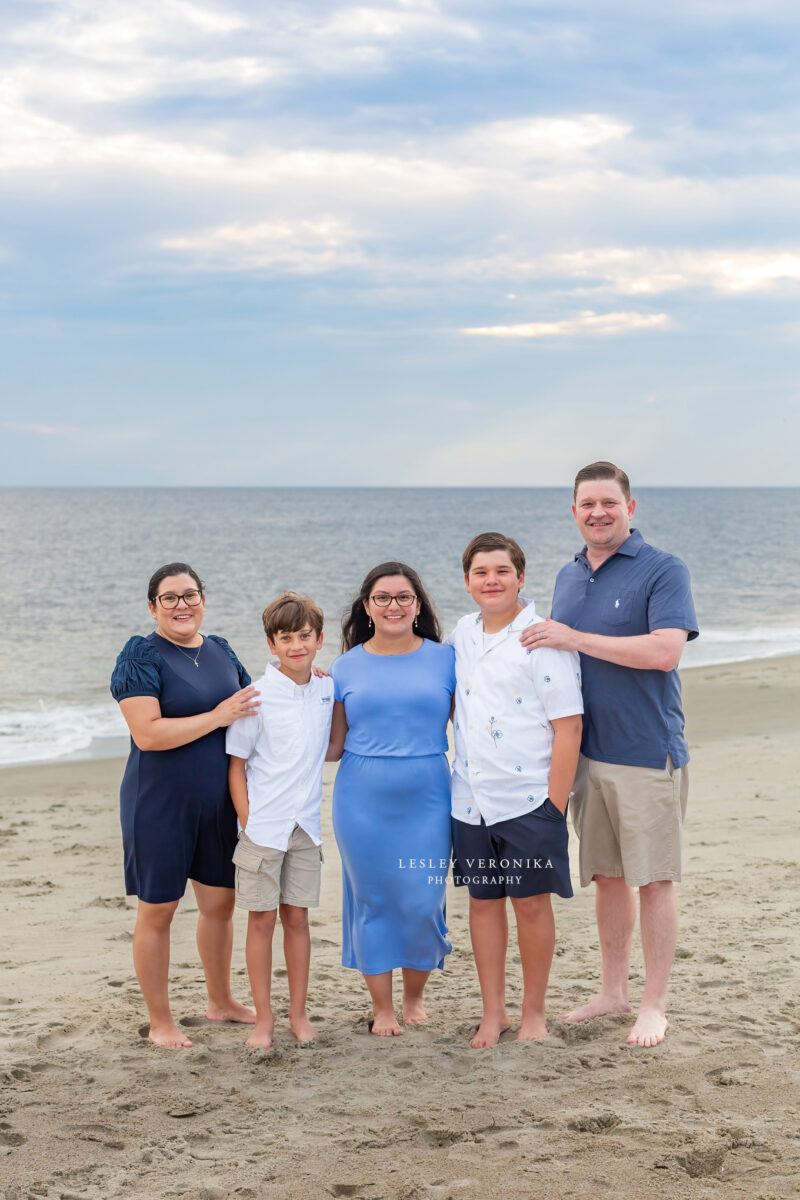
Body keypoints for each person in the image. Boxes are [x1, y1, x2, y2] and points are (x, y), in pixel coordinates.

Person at [520, 462, 698, 1047]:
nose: (598, 512)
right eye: (587, 504)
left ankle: (653, 1003)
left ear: (630, 507)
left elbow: (665, 652)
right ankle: (614, 991)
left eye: (609, 503)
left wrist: (572, 637)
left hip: (645, 752)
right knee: (607, 876)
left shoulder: (663, 569)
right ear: (574, 512)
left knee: (654, 879)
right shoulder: (568, 576)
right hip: (585, 756)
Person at [111, 563, 260, 1048]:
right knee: (160, 908)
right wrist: (217, 716)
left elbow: (255, 704)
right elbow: (148, 734)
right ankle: (160, 1022)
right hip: (159, 801)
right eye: (170, 597)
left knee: (220, 903)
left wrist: (307, 676)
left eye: (190, 595)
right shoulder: (141, 654)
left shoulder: (220, 650)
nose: (182, 605)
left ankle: (220, 1001)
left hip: (217, 801)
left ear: (203, 600)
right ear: (153, 606)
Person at [449, 533, 583, 1049]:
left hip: (529, 801)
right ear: (467, 583)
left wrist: (555, 805)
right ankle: (493, 1014)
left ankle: (533, 1014)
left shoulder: (541, 637)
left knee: (529, 905)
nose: (492, 580)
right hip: (470, 801)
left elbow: (568, 726)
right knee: (483, 905)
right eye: (481, 573)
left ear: (520, 578)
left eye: (502, 571)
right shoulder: (462, 633)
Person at [326, 562, 455, 1036]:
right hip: (362, 800)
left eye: (403, 597)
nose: (393, 605)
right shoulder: (344, 667)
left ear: (418, 605)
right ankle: (382, 1008)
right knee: (374, 901)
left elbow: (476, 723)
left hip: (430, 797)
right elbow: (333, 745)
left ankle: (414, 997)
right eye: (382, 598)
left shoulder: (447, 660)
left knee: (423, 901)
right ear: (367, 607)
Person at [226, 592, 334, 1050]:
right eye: (285, 638)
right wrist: (250, 823)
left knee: (298, 920)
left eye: (304, 636)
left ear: (319, 639)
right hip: (262, 829)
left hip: (306, 826)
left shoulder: (327, 688)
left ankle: (298, 1015)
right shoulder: (256, 696)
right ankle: (263, 1019)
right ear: (272, 644)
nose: (296, 646)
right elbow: (236, 767)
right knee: (261, 922)